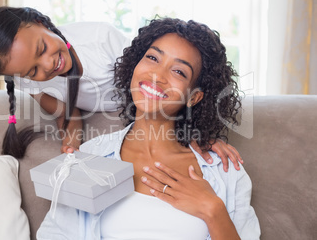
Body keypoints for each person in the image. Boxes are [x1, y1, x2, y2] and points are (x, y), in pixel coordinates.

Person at [36, 18, 260, 239]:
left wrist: (213, 211)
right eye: (152, 58)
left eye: (179, 72)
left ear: (194, 97)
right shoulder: (89, 157)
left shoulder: (225, 170)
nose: (157, 76)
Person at [0, 6, 243, 173]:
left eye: (42, 48)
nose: (47, 66)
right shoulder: (25, 78)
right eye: (32, 71)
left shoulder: (100, 40)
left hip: (143, 105)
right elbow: (60, 107)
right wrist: (71, 131)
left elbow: (160, 83)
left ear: (42, 23)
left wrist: (201, 135)